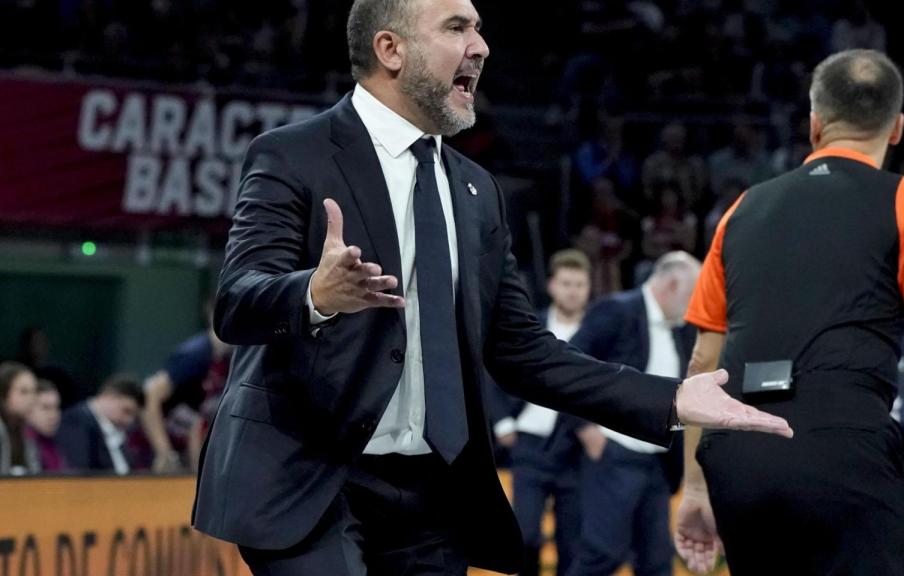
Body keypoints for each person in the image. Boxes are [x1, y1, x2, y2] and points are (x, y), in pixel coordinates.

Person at [191, 1, 793, 575]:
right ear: (390, 48)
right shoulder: (291, 154)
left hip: (432, 495)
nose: (481, 46)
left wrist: (669, 400)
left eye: (478, 28)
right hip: (311, 479)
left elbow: (523, 351)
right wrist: (314, 296)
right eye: (457, 27)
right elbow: (238, 301)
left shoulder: (476, 190)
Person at [675, 49, 904, 576]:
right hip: (842, 450)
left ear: (815, 125)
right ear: (898, 128)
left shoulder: (742, 208)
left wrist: (696, 485)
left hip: (738, 458)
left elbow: (704, 360)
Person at [566, 251, 700, 576]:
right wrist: (584, 428)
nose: (694, 306)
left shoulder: (682, 328)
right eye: (691, 295)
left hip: (657, 462)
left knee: (657, 561)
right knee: (603, 554)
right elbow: (568, 365)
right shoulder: (617, 310)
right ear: (671, 285)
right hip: (614, 455)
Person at [488, 248, 592, 576]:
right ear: (551, 286)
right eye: (566, 283)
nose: (573, 290)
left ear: (589, 288)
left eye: (579, 284)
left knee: (572, 540)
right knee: (526, 534)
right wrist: (503, 421)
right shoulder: (530, 325)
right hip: (529, 443)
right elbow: (492, 370)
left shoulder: (600, 331)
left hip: (575, 448)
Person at [141, 303, 231, 472]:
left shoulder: (227, 358)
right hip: (152, 445)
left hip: (185, 440)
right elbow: (149, 397)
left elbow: (198, 421)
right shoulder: (194, 355)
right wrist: (163, 451)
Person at [56, 374, 144, 475]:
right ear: (109, 396)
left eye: (134, 416)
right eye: (126, 411)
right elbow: (80, 471)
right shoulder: (76, 421)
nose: (129, 421)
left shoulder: (120, 434)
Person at [0, 362, 40, 475]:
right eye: (24, 392)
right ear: (3, 394)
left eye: (34, 392)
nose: (31, 399)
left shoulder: (26, 431)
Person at [25, 379, 65, 472]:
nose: (53, 415)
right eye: (46, 408)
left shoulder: (57, 442)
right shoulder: (23, 443)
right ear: (28, 408)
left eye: (57, 407)